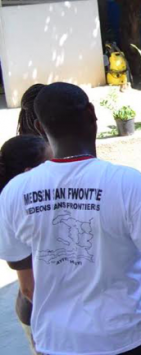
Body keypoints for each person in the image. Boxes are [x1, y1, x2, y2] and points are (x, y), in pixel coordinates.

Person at [0, 83, 141, 355]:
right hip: (130, 336)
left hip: (57, 343)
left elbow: (26, 282)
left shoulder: (13, 193)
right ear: (92, 113)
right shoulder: (128, 184)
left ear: (40, 128)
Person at [0, 135, 51, 355]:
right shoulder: (12, 212)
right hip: (42, 314)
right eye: (51, 162)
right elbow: (29, 288)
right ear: (30, 173)